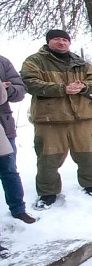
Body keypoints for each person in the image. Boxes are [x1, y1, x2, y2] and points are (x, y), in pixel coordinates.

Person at [20, 29, 92, 208]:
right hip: (50, 119)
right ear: (48, 42)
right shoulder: (35, 61)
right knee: (48, 158)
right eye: (57, 39)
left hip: (81, 117)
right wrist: (63, 88)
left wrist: (83, 86)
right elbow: (29, 83)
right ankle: (47, 192)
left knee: (87, 155)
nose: (61, 43)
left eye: (65, 40)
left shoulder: (80, 63)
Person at [0, 54, 35, 224]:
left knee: (9, 170)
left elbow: (20, 91)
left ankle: (18, 209)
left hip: (3, 127)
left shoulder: (2, 62)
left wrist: (6, 89)